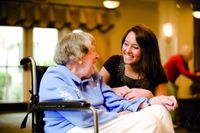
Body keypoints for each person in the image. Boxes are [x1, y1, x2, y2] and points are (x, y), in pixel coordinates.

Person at [39, 31, 177, 133]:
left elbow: (115, 102)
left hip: (101, 122)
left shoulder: (94, 77)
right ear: (79, 57)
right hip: (73, 128)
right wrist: (117, 116)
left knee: (159, 111)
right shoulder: (55, 77)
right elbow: (82, 117)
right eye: (93, 51)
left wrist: (149, 102)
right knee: (148, 122)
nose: (97, 56)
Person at [99, 24, 168, 102]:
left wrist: (149, 95)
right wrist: (112, 91)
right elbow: (94, 92)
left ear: (147, 52)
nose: (127, 50)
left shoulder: (156, 71)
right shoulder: (113, 62)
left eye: (135, 47)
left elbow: (163, 107)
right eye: (126, 44)